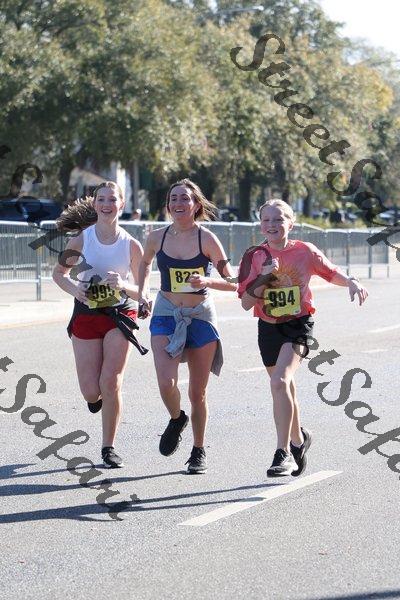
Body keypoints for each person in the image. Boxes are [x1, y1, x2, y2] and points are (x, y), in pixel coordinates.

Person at [238, 199, 368, 477]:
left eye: (278, 219)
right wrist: (263, 278)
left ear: (291, 223)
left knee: (279, 381)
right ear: (260, 225)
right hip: (268, 327)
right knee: (283, 387)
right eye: (266, 220)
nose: (272, 225)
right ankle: (299, 439)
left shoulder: (304, 251)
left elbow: (330, 272)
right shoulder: (253, 257)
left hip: (297, 325)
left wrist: (351, 281)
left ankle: (282, 452)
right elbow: (246, 303)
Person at [137, 179, 236, 474]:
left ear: (196, 205)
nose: (178, 203)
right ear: (168, 205)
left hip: (200, 315)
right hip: (166, 313)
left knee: (197, 392)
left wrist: (207, 281)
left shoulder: (207, 239)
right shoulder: (157, 237)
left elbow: (233, 282)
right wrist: (142, 292)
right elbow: (144, 263)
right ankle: (177, 418)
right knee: (166, 384)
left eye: (185, 198)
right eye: (174, 198)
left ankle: (198, 450)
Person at [53, 181, 148, 469]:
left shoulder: (131, 245)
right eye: (102, 200)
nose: (107, 205)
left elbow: (144, 294)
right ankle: (96, 400)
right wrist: (76, 290)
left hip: (119, 315)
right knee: (91, 391)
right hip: (86, 314)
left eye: (112, 200)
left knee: (111, 382)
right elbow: (59, 274)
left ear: (122, 204)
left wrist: (123, 285)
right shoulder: (82, 240)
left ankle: (109, 448)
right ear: (94, 204)